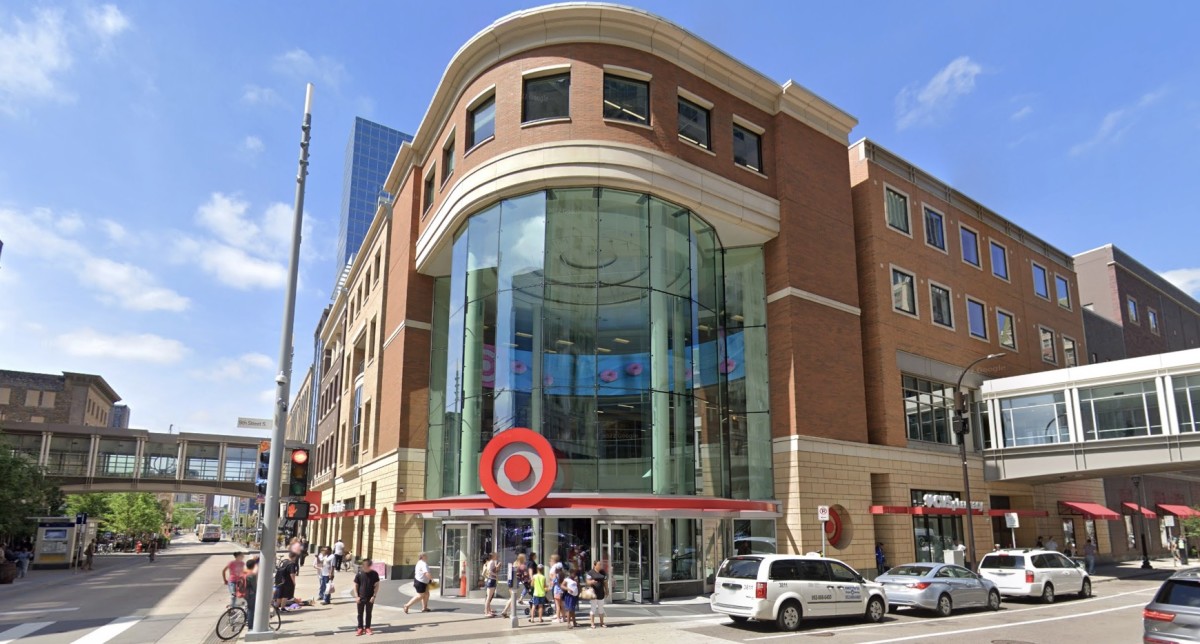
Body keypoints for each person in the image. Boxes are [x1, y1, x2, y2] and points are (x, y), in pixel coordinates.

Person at [353, 558, 380, 636]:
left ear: (369, 566)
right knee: (360, 613)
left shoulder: (374, 574)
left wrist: (374, 596)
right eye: (363, 565)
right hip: (360, 597)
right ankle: (360, 628)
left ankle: (367, 628)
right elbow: (355, 585)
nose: (363, 567)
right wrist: (356, 596)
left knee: (369, 613)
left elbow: (377, 585)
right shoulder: (359, 574)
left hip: (370, 597)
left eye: (365, 566)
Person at [500, 553, 527, 618]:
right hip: (515, 583)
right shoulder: (521, 565)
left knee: (512, 597)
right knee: (513, 597)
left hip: (510, 582)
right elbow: (525, 574)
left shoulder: (515, 563)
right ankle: (506, 611)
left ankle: (507, 612)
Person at [585, 560, 609, 629]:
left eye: (600, 565)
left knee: (601, 608)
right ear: (595, 565)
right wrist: (591, 582)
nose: (600, 566)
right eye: (599, 565)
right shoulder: (590, 572)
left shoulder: (603, 572)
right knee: (593, 608)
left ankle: (602, 623)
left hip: (601, 592)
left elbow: (605, 582)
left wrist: (607, 590)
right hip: (593, 593)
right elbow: (587, 582)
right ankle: (592, 623)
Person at [243, 557, 260, 627]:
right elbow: (254, 586)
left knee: (249, 608)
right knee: (251, 609)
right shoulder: (251, 575)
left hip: (243, 592)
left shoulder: (244, 572)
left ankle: (248, 619)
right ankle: (250, 626)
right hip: (250, 594)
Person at [482, 552, 500, 616]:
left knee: (489, 597)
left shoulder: (490, 562)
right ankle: (486, 612)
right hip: (491, 580)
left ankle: (488, 611)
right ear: (493, 556)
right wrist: (495, 575)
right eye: (496, 555)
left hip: (490, 580)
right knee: (489, 597)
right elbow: (490, 571)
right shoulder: (491, 562)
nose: (497, 556)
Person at [551, 557, 566, 623]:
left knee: (557, 606)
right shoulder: (563, 575)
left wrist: (553, 576)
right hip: (562, 591)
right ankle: (564, 617)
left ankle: (558, 618)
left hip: (557, 591)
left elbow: (553, 582)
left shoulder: (556, 575)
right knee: (562, 605)